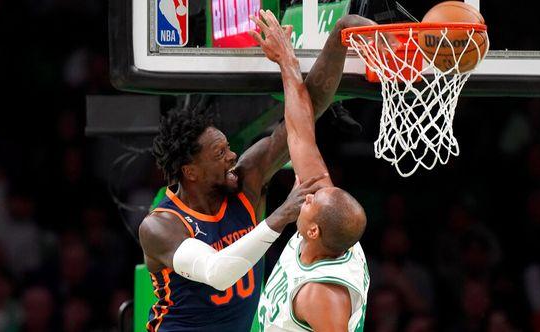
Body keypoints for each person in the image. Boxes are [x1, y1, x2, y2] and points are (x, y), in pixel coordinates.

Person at [138, 10, 376, 332]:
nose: (233, 155)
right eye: (220, 153)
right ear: (190, 171)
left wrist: (335, 40)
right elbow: (218, 272)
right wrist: (280, 215)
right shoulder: (161, 226)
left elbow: (304, 117)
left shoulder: (244, 179)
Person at [250, 10, 373, 332]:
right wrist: (285, 58)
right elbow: (300, 132)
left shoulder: (324, 294)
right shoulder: (328, 229)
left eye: (309, 203)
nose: (304, 196)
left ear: (314, 230)